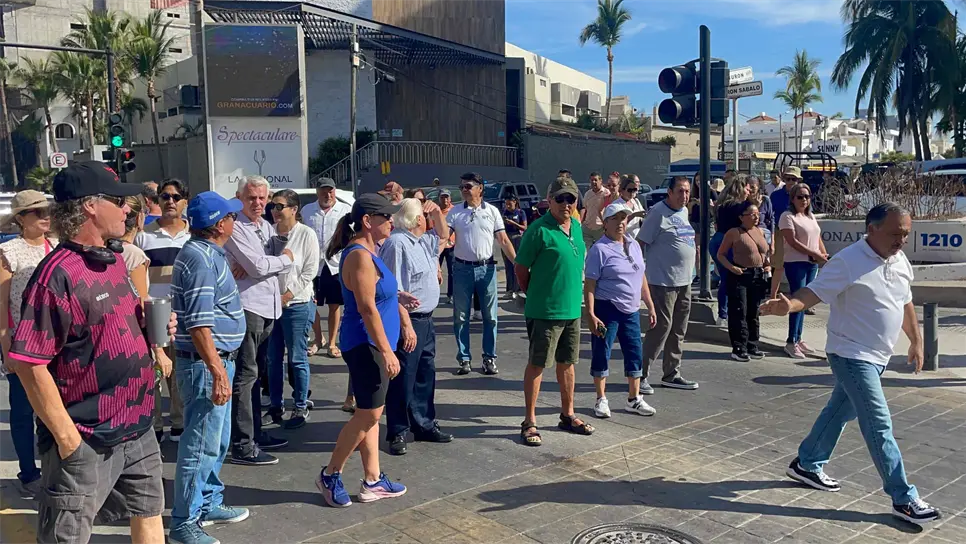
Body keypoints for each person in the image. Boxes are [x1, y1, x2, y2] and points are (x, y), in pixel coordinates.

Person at [7, 161, 174, 543]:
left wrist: (153, 330)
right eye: (118, 200)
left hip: (137, 425)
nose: (128, 208)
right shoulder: (56, 276)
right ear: (89, 207)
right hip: (87, 437)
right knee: (67, 537)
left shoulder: (114, 260)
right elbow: (29, 363)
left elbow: (123, 323)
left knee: (148, 515)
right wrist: (69, 441)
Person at [761, 203, 942, 527]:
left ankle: (807, 462)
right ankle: (903, 497)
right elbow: (814, 292)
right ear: (871, 229)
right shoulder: (848, 261)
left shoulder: (899, 260)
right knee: (878, 423)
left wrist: (915, 340)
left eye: (905, 234)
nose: (901, 240)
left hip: (878, 357)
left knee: (840, 411)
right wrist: (789, 306)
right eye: (895, 234)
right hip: (850, 354)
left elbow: (904, 301)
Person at [316, 193, 410, 508]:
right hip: (366, 346)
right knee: (368, 414)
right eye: (387, 217)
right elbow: (367, 308)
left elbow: (380, 296)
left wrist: (401, 306)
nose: (392, 222)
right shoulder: (358, 255)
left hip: (373, 345)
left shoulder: (371, 252)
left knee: (370, 413)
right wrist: (386, 351)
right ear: (368, 221)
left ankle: (373, 480)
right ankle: (330, 474)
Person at [168, 192, 250, 544]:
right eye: (231, 216)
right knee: (201, 444)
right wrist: (216, 370)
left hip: (215, 362)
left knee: (217, 441)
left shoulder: (207, 254)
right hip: (207, 365)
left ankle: (207, 502)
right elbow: (199, 324)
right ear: (219, 224)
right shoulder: (201, 259)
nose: (236, 220)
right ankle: (184, 522)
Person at [515, 177, 592, 447]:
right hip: (545, 311)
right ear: (550, 201)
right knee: (538, 364)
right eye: (560, 198)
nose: (566, 204)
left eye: (571, 199)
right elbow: (521, 269)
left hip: (571, 309)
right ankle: (529, 421)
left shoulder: (577, 227)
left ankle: (567, 414)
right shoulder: (538, 230)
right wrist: (537, 292)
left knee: (568, 364)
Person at [224, 175, 293, 465]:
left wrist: (267, 265)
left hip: (270, 307)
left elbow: (262, 267)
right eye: (252, 198)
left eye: (263, 198)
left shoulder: (266, 226)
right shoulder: (236, 227)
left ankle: (255, 432)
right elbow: (258, 266)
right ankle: (242, 443)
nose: (258, 203)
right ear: (240, 198)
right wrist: (285, 258)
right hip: (249, 308)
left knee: (256, 375)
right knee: (246, 375)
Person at [380, 198, 453, 456]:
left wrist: (438, 214)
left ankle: (423, 424)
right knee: (403, 377)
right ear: (418, 219)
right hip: (409, 320)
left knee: (424, 374)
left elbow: (444, 235)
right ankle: (397, 430)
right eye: (424, 214)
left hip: (426, 319)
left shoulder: (421, 241)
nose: (427, 218)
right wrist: (406, 325)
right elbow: (394, 291)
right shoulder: (398, 244)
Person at [0, 190, 56, 498]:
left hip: (55, 342)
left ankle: (53, 467)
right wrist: (6, 345)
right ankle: (28, 472)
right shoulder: (10, 252)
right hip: (23, 341)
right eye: (36, 212)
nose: (45, 216)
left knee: (53, 408)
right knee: (23, 410)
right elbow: (2, 304)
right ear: (21, 219)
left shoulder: (57, 248)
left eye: (46, 210)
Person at [585, 202, 657, 419]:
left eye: (624, 218)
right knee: (602, 352)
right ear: (605, 223)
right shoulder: (600, 249)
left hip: (631, 310)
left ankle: (634, 399)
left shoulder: (633, 244)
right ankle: (601, 398)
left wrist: (650, 304)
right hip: (607, 307)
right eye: (615, 219)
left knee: (635, 352)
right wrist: (591, 313)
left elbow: (641, 276)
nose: (620, 223)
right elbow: (589, 284)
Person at [447, 172, 517, 376]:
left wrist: (519, 266)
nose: (464, 190)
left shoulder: (492, 211)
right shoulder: (455, 212)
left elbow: (503, 240)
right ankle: (464, 359)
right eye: (462, 187)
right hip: (461, 269)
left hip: (486, 269)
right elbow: (446, 237)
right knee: (461, 316)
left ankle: (489, 358)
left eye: (468, 186)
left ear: (480, 188)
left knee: (491, 317)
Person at [136, 178, 190, 442]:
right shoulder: (143, 236)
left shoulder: (194, 236)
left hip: (183, 317)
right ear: (157, 201)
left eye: (176, 197)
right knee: (154, 373)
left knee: (180, 373)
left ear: (185, 202)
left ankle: (178, 422)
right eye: (165, 197)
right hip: (151, 317)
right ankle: (154, 424)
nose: (170, 201)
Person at [637, 176, 699, 392]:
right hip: (663, 281)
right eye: (680, 191)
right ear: (669, 192)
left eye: (687, 191)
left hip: (685, 280)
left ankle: (671, 373)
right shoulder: (657, 213)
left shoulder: (683, 212)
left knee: (679, 329)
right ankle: (640, 374)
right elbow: (640, 243)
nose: (685, 196)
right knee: (661, 327)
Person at [265, 189, 320, 430]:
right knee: (272, 358)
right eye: (273, 207)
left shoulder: (306, 234)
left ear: (294, 210)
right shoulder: (268, 233)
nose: (275, 211)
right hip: (269, 306)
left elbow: (310, 271)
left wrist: (287, 295)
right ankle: (275, 405)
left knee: (297, 358)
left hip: (296, 305)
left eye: (280, 206)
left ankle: (300, 405)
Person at [302, 178, 354, 414]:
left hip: (335, 263)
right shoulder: (307, 210)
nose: (327, 194)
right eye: (323, 191)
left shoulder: (345, 210)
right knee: (311, 303)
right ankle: (318, 338)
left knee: (335, 305)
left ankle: (332, 342)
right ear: (318, 192)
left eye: (330, 190)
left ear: (335, 192)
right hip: (312, 264)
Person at [779, 182, 828, 359]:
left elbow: (817, 237)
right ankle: (791, 341)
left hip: (811, 263)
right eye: (800, 197)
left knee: (805, 303)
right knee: (797, 301)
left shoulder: (810, 216)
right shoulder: (787, 216)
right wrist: (813, 253)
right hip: (796, 263)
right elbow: (791, 241)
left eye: (807, 196)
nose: (804, 200)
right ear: (792, 198)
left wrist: (822, 254)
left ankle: (799, 338)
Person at [717, 201, 770, 362]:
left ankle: (753, 344)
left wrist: (767, 265)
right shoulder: (734, 233)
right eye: (752, 214)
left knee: (754, 311)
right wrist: (732, 268)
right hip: (741, 274)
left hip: (758, 274)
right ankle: (739, 346)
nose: (756, 217)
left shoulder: (760, 231)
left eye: (757, 214)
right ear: (741, 217)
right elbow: (721, 254)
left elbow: (765, 252)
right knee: (740, 310)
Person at [710, 176, 752, 327]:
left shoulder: (722, 205)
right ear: (741, 188)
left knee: (725, 278)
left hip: (716, 241)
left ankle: (723, 314)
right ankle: (725, 314)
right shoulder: (738, 206)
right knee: (730, 279)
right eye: (747, 189)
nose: (749, 192)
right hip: (728, 243)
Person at [770, 166, 802, 298]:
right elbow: (770, 217)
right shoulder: (775, 195)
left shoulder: (802, 195)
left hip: (799, 234)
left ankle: (802, 299)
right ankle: (772, 296)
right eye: (787, 178)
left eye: (793, 179)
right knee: (778, 266)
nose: (790, 182)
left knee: (799, 267)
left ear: (798, 180)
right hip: (779, 233)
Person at [501, 195, 527, 300]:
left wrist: (513, 223)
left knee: (516, 263)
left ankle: (517, 289)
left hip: (517, 238)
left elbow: (525, 227)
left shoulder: (520, 213)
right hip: (507, 238)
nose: (508, 206)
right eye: (506, 204)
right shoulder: (504, 213)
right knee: (508, 265)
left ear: (515, 202)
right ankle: (509, 289)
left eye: (509, 203)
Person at [580, 171, 610, 248]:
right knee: (584, 250)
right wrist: (581, 222)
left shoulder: (606, 193)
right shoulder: (588, 194)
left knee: (600, 249)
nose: (594, 182)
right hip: (587, 227)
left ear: (601, 181)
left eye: (596, 180)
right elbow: (584, 209)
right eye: (592, 180)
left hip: (600, 228)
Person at [612, 174, 646, 239]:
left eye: (634, 189)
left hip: (637, 239)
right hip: (623, 238)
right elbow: (617, 224)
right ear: (622, 190)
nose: (632, 192)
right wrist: (634, 215)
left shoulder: (636, 201)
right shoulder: (616, 205)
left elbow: (642, 218)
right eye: (629, 190)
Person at [437, 190, 456, 304]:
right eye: (442, 197)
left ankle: (451, 294)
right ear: (439, 199)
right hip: (438, 245)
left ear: (450, 199)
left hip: (451, 245)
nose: (445, 200)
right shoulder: (436, 211)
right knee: (434, 270)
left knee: (452, 271)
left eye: (446, 198)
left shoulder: (454, 211)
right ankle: (432, 293)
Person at [746, 175, 775, 243]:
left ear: (758, 187)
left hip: (764, 235)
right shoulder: (743, 201)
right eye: (748, 187)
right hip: (748, 236)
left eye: (753, 187)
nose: (750, 189)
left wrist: (772, 242)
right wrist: (756, 206)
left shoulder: (765, 200)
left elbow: (771, 220)